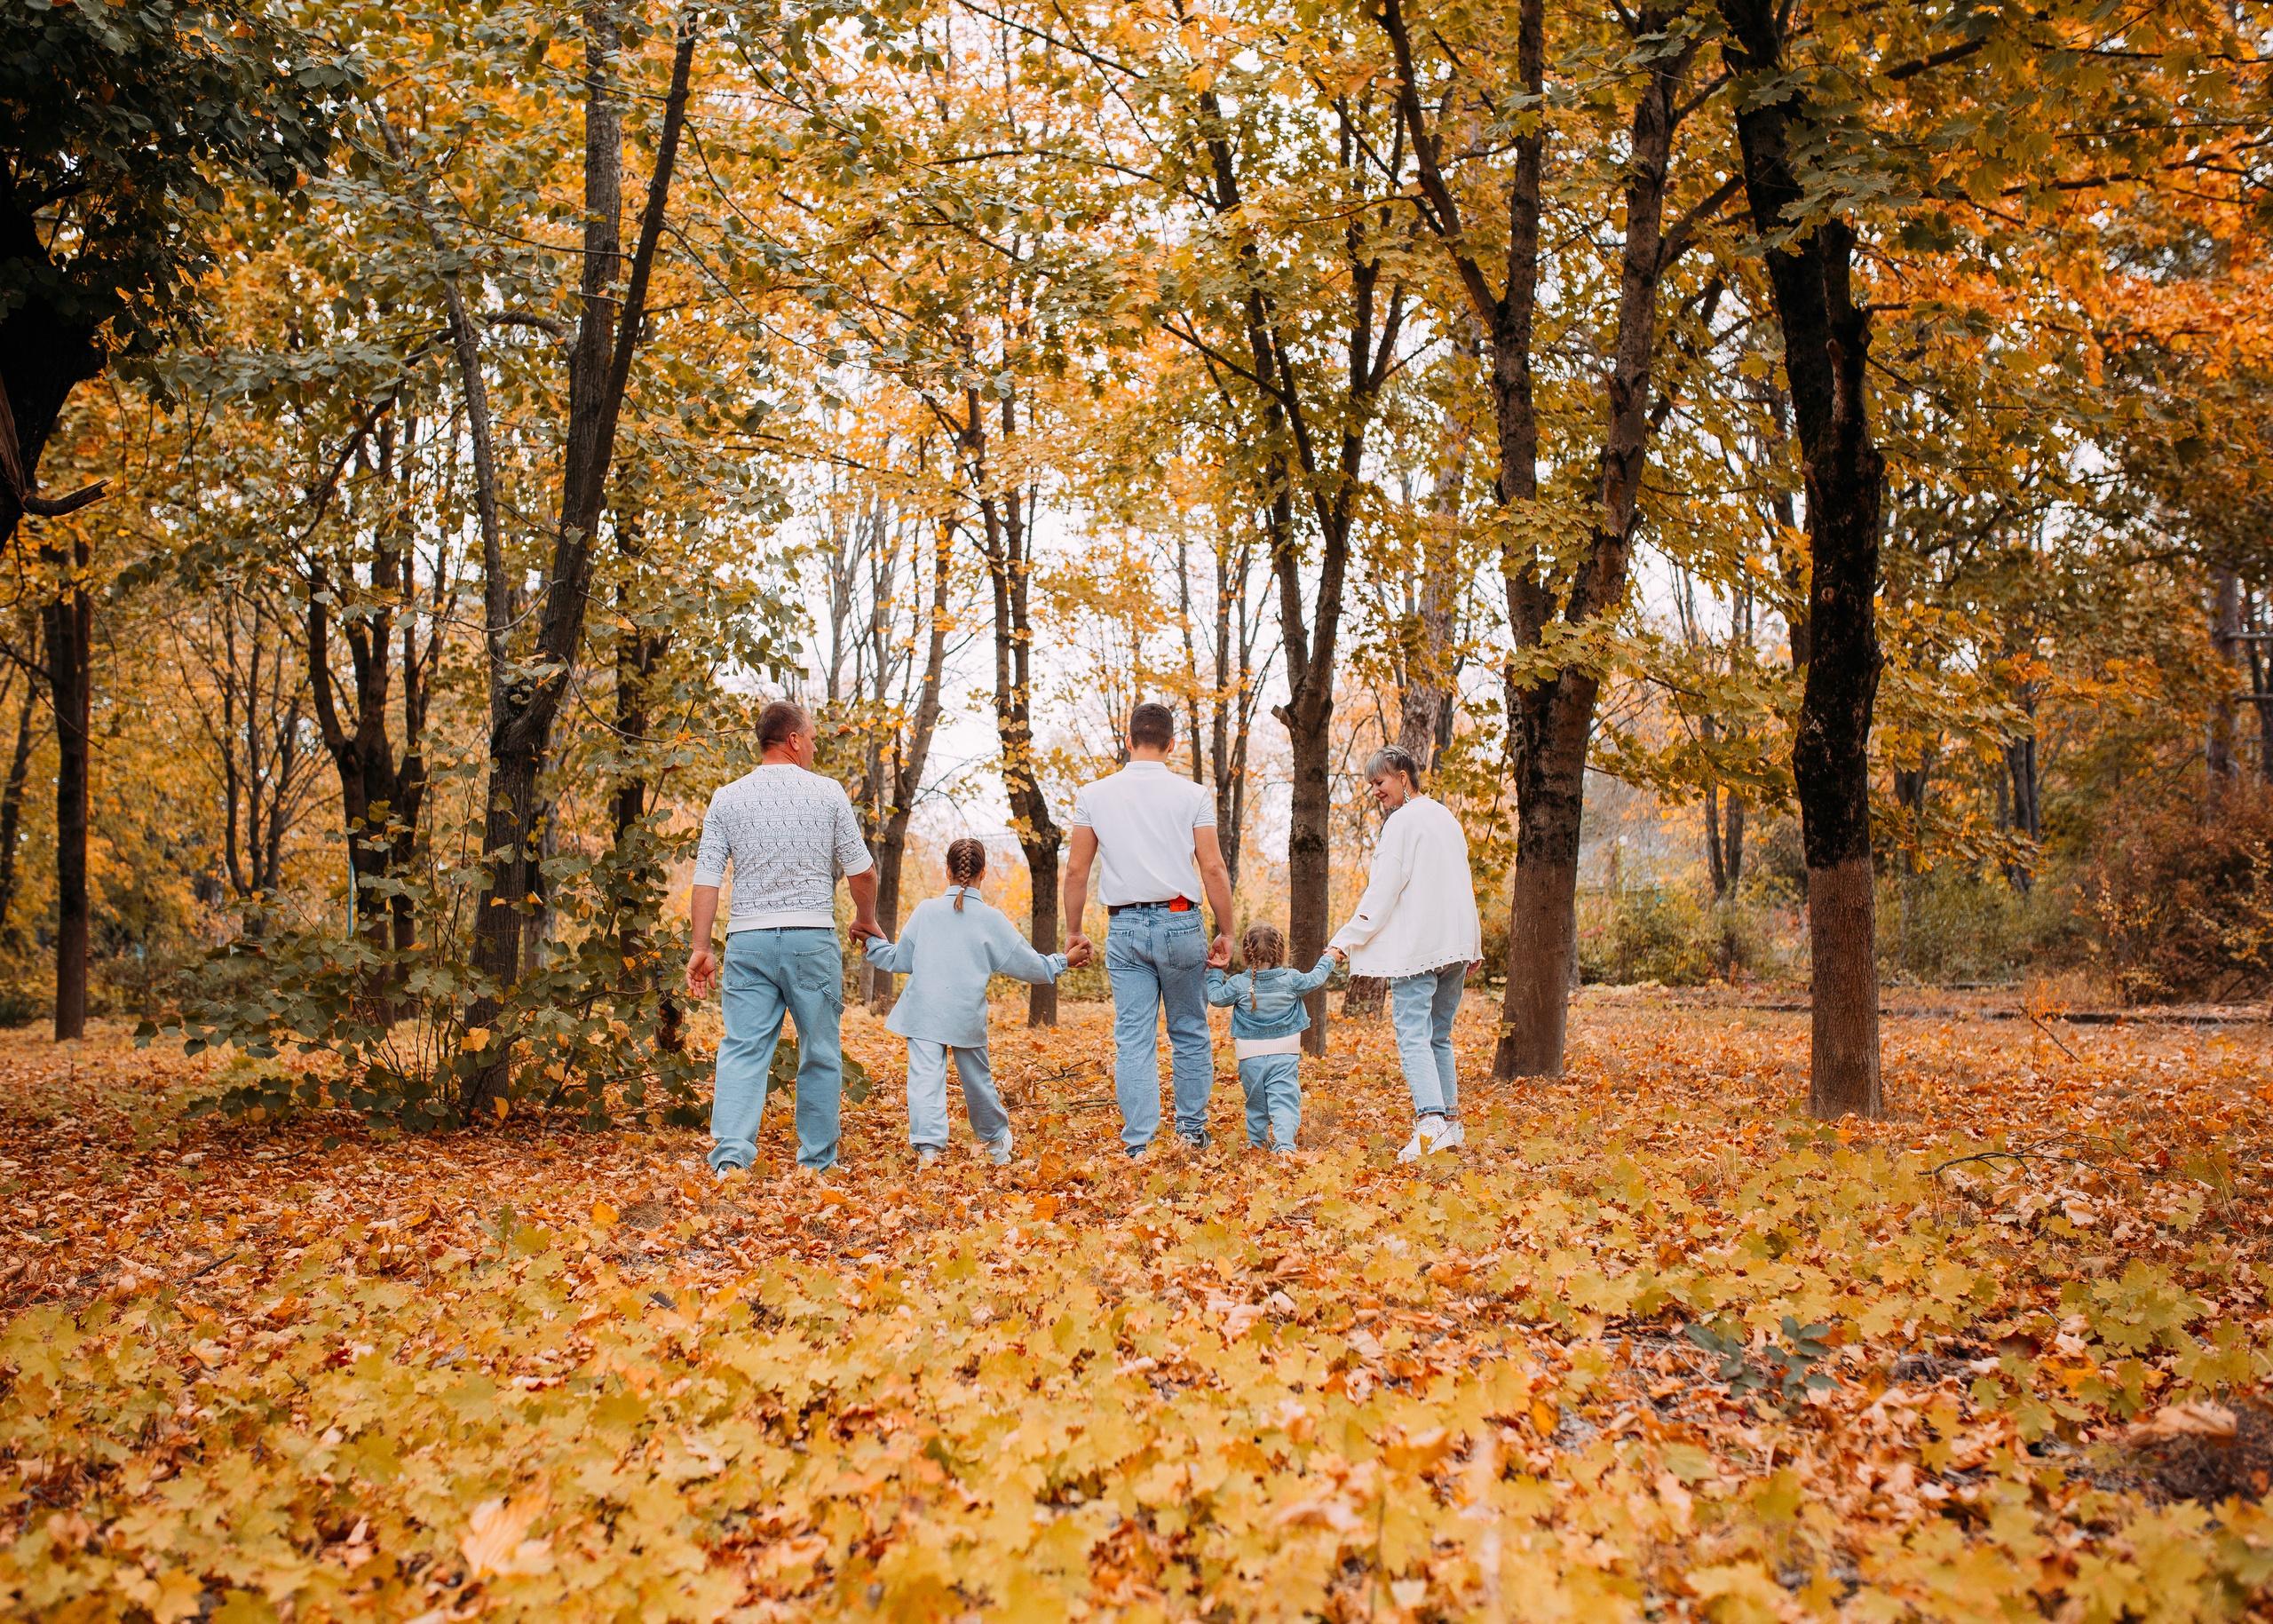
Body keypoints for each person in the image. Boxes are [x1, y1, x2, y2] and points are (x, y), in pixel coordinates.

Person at [685, 700, 878, 1177]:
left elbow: (706, 880)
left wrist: (701, 947)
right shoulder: (828, 794)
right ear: (793, 740)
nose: (813, 746)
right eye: (810, 737)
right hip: (810, 938)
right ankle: (817, 1163)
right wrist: (865, 918)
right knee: (820, 1049)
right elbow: (863, 872)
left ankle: (730, 1160)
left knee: (742, 1048)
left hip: (747, 941)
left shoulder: (727, 797)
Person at [1064, 701, 1235, 1155]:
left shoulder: (1093, 794)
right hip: (1181, 921)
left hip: (1123, 928)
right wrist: (1228, 930)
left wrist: (1074, 931)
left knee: (1133, 1038)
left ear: (1129, 739)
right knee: (1190, 1031)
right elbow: (1213, 867)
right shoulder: (1193, 795)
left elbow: (1077, 872)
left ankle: (1139, 1143)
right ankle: (1191, 1132)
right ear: (1172, 744)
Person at [858, 838, 1092, 1168]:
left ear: (947, 870)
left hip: (923, 1011)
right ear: (983, 872)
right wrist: (1063, 961)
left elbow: (899, 959)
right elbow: (1032, 967)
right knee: (977, 1082)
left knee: (925, 1080)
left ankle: (929, 1152)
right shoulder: (991, 919)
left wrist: (871, 942)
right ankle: (996, 1143)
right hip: (964, 1015)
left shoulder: (926, 911)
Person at [1329, 743, 1483, 1162]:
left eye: (1378, 783)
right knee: (1440, 1036)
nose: (1375, 792)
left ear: (1401, 774)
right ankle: (1451, 1125)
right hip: (1455, 944)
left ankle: (1430, 1123)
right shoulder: (1446, 817)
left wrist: (1346, 938)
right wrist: (1475, 944)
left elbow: (1383, 889)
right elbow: (1462, 881)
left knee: (1413, 1034)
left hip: (1419, 947)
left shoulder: (1402, 822)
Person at [1205, 922, 1337, 1154]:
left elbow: (1215, 997)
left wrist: (1215, 971)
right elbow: (1315, 978)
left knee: (1256, 1102)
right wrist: (1330, 958)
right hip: (1284, 1053)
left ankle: (1256, 1144)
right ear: (1282, 952)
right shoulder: (1291, 979)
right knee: (1284, 1100)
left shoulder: (1239, 984)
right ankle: (1285, 1147)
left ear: (1246, 955)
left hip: (1249, 1056)